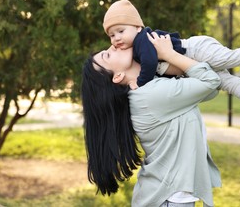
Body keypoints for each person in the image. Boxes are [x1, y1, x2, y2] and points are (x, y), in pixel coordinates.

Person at [82, 33, 222, 206]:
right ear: (117, 76)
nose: (113, 45)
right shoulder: (150, 96)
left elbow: (210, 89)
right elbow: (211, 81)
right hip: (168, 199)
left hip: (167, 195)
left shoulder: (149, 86)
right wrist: (169, 54)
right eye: (107, 55)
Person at [102, 0, 240, 127]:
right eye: (111, 35)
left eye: (120, 31)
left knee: (227, 58)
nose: (116, 38)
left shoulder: (143, 40)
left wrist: (141, 84)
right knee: (223, 81)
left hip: (195, 49)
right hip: (191, 64)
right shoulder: (134, 51)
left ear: (137, 27)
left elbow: (150, 63)